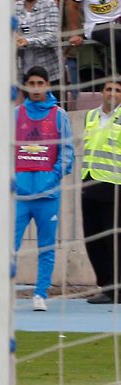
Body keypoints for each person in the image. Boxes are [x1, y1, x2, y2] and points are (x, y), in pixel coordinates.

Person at [13, 66, 74, 312]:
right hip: (19, 195)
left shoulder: (59, 115)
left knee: (46, 247)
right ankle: (3, 291)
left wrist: (53, 176)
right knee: (8, 246)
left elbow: (67, 152)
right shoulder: (15, 114)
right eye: (32, 83)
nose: (36, 88)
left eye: (40, 83)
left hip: (48, 195)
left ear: (48, 85)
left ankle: (40, 293)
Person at [81, 79, 121, 304]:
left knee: (112, 239)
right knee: (92, 238)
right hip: (89, 181)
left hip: (114, 184)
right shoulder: (91, 116)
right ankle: (106, 285)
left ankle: (117, 288)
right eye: (109, 89)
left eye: (117, 90)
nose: (112, 93)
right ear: (102, 92)